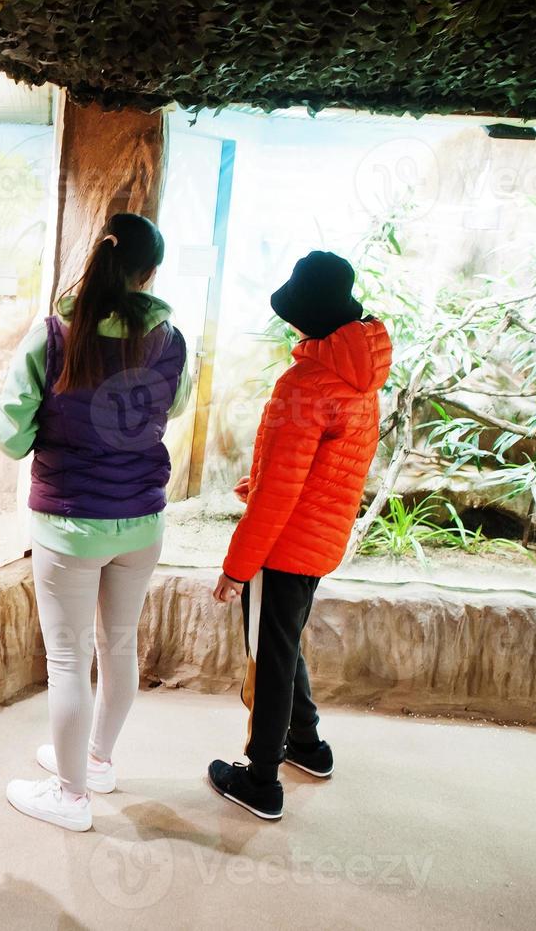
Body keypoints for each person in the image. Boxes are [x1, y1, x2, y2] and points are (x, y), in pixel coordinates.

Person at [0, 213, 191, 832]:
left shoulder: (52, 334)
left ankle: (71, 795)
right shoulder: (172, 339)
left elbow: (7, 434)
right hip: (141, 522)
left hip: (68, 525)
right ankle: (98, 761)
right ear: (148, 272)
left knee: (70, 661)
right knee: (119, 643)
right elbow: (177, 404)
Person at [207, 250, 392, 821]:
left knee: (270, 653)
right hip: (320, 538)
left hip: (284, 543)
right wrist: (258, 481)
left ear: (306, 315)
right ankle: (307, 746)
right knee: (284, 641)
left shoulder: (305, 383)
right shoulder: (361, 377)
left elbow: (284, 493)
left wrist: (237, 567)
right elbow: (322, 469)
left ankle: (261, 779)